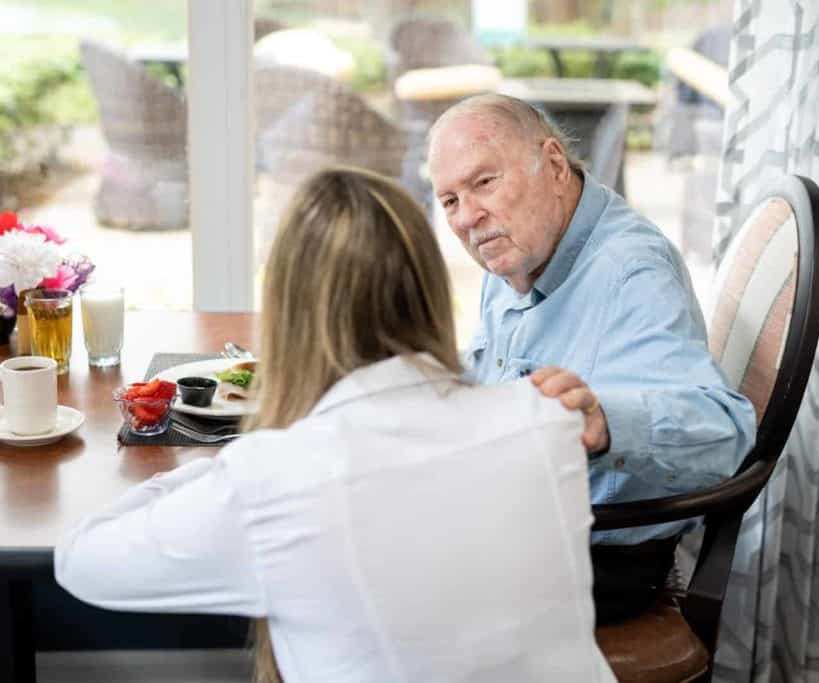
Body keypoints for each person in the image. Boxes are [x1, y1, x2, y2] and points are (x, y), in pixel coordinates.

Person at [55, 167, 616, 683]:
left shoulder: (273, 478)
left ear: (288, 313)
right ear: (427, 289)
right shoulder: (545, 423)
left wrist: (220, 470)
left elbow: (80, 559)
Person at [428, 94, 757, 624]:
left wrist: (606, 421)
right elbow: (496, 373)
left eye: (484, 183)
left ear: (554, 165)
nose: (468, 217)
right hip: (513, 526)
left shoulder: (630, 272)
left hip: (592, 561)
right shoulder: (516, 249)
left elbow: (726, 431)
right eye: (449, 201)